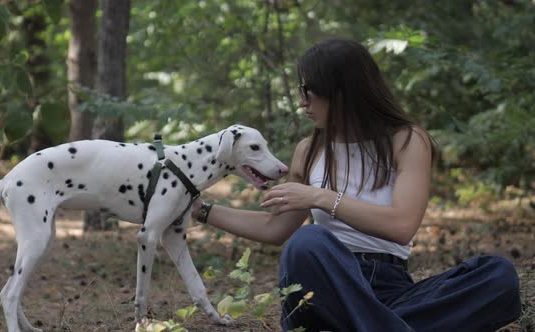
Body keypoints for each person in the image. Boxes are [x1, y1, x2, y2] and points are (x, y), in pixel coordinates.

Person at [191, 38, 521, 332]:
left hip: (391, 289)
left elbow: (402, 225)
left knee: (497, 275)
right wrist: (201, 209)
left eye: (309, 92)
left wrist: (322, 197)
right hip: (326, 287)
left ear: (341, 91)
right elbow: (275, 228)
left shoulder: (406, 140)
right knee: (307, 241)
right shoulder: (309, 150)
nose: (302, 103)